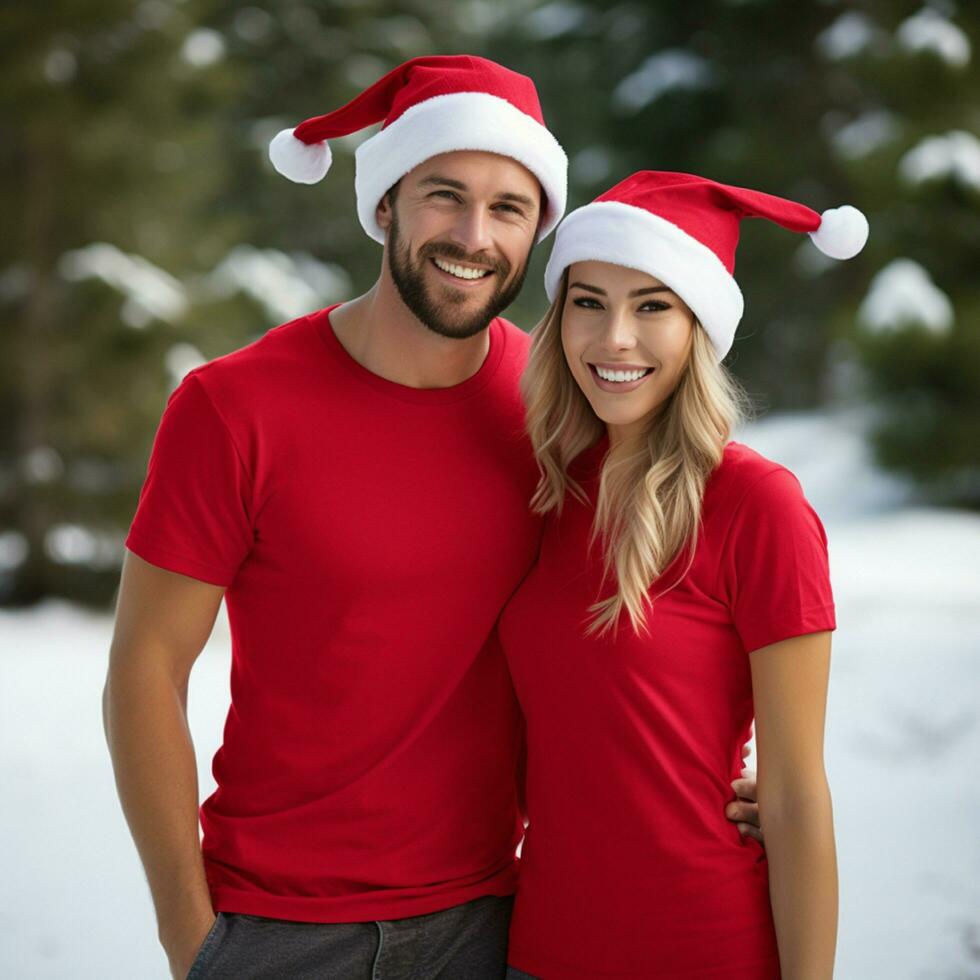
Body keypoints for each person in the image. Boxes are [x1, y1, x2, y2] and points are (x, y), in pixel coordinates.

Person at [102, 57, 763, 980]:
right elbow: (144, 666)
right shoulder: (233, 407)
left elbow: (659, 606)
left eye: (509, 208)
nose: (472, 234)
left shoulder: (560, 405)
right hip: (278, 930)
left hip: (498, 923)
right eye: (443, 195)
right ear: (386, 204)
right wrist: (190, 936)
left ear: (538, 233)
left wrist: (734, 784)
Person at [497, 171, 869, 979]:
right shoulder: (548, 493)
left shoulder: (757, 505)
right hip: (537, 950)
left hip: (703, 949)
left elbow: (797, 795)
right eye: (588, 301)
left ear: (699, 325)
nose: (614, 339)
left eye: (653, 306)